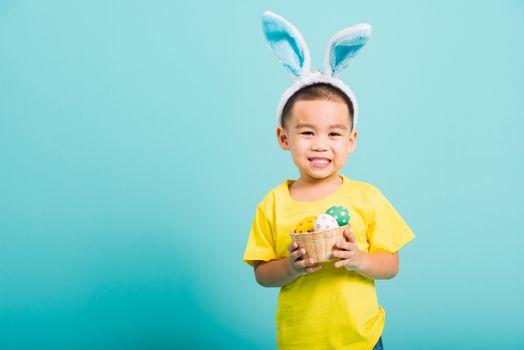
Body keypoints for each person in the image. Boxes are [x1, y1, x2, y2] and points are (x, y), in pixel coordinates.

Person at [242, 12, 415, 350]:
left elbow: (391, 264)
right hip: (300, 340)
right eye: (307, 132)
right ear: (283, 137)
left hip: (361, 339)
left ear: (351, 140)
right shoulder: (274, 203)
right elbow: (262, 273)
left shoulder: (367, 197)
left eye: (334, 134)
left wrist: (360, 260)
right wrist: (289, 268)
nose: (320, 144)